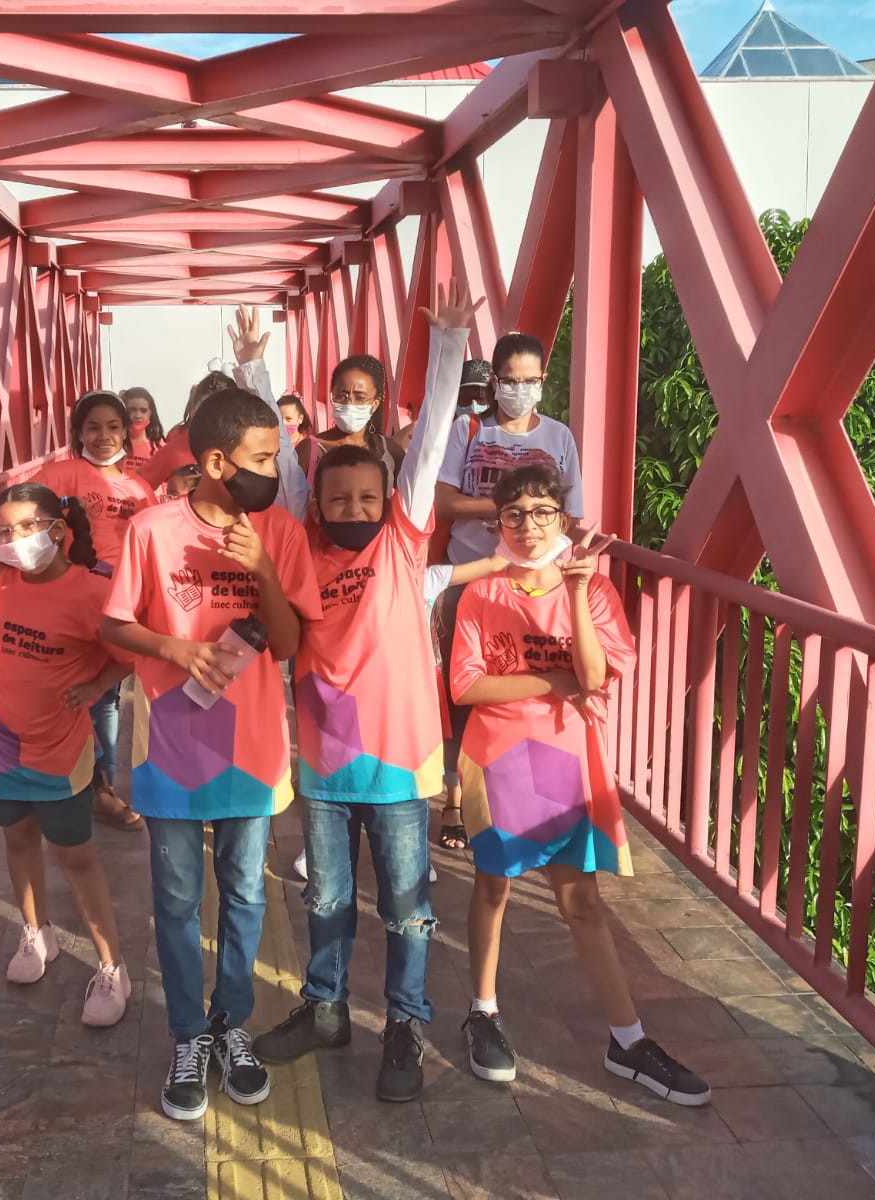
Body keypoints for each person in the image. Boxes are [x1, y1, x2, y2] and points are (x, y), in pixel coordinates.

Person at [242, 282, 476, 1104]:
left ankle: (405, 1022)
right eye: (339, 499)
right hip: (328, 762)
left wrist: (447, 347)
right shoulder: (307, 545)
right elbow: (287, 472)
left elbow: (429, 446)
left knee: (408, 907)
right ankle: (327, 1006)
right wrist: (251, 368)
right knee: (329, 895)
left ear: (388, 504)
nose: (351, 507)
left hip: (404, 764)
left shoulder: (405, 545)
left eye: (366, 499)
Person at [450, 464, 710, 1106]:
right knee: (493, 887)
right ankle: (481, 1011)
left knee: (581, 902)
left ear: (562, 518)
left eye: (543, 512)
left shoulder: (592, 592)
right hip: (498, 754)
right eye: (515, 514)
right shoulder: (482, 592)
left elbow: (594, 676)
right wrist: (552, 681)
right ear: (498, 522)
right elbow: (466, 685)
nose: (530, 526)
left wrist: (573, 591)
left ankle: (627, 1040)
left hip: (565, 756)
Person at [102, 387, 321, 1123]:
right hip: (169, 743)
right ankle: (186, 1035)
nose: (272, 470)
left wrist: (262, 569)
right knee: (174, 898)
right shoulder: (153, 529)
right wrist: (173, 646)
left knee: (247, 894)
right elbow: (115, 624)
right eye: (263, 458)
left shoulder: (282, 533)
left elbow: (289, 646)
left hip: (252, 751)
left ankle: (232, 1026)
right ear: (218, 461)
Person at [0, 482, 133, 1026]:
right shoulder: (8, 582)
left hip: (58, 745)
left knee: (76, 854)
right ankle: (35, 936)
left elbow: (126, 654)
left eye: (25, 529)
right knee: (17, 839)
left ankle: (112, 965)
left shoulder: (94, 592)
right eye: (3, 532)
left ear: (57, 531)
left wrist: (95, 688)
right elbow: (5, 634)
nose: (13, 543)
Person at [434, 334, 583, 856]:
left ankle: (520, 793)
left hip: (536, 587)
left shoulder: (560, 437)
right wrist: (508, 508)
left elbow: (572, 514)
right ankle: (456, 799)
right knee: (462, 695)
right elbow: (445, 501)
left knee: (523, 687)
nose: (520, 390)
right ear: (494, 380)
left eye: (530, 381)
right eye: (510, 380)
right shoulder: (468, 429)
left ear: (543, 381)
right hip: (470, 577)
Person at [35, 391, 157, 832]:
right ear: (78, 433)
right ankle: (71, 782)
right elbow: (24, 527)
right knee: (68, 692)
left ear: (127, 431)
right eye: (93, 428)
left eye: (113, 427)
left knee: (103, 697)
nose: (104, 436)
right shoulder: (59, 474)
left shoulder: (140, 490)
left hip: (118, 606)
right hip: (68, 603)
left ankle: (97, 786)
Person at [297, 355, 403, 493]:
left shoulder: (389, 450)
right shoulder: (309, 450)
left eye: (360, 397)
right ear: (332, 397)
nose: (349, 403)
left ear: (375, 404)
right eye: (342, 395)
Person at [139, 370, 234, 493]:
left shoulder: (243, 450)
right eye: (203, 409)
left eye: (217, 410)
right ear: (193, 408)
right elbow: (136, 487)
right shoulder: (176, 449)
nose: (209, 417)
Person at [120, 386, 166, 476]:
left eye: (143, 410)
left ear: (150, 413)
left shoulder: (160, 447)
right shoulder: (115, 444)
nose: (138, 415)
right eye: (132, 410)